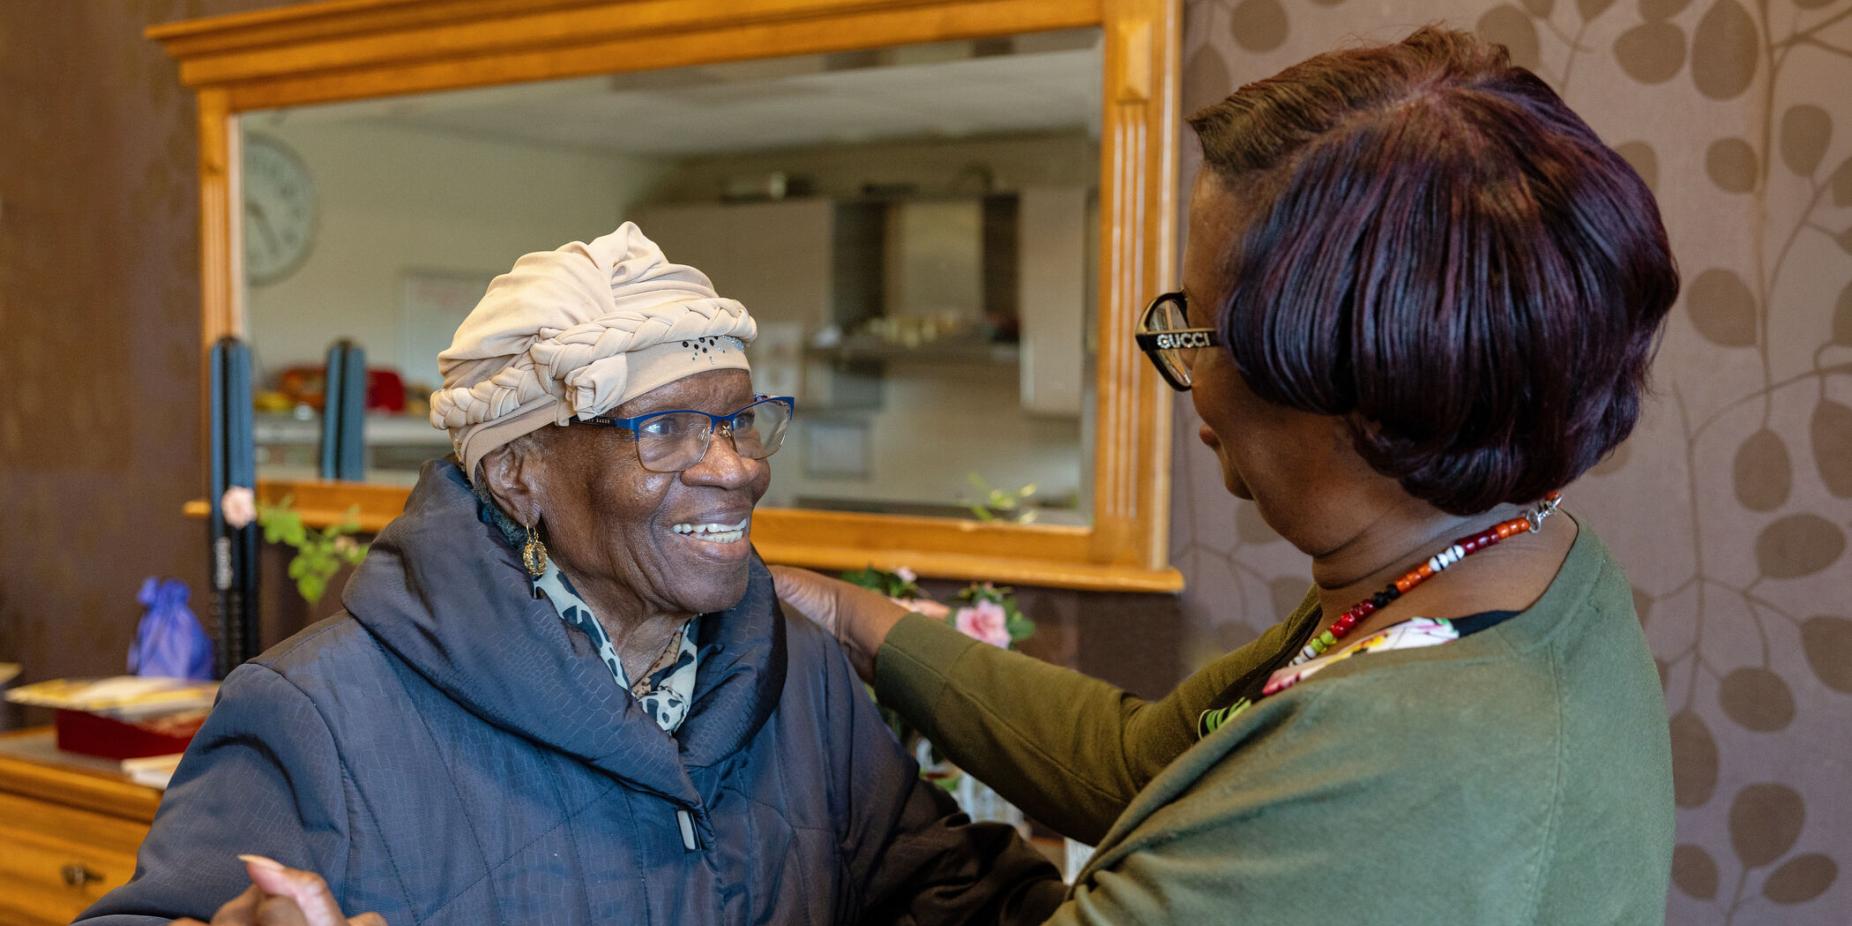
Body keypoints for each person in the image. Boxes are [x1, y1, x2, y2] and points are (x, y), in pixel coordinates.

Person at [773, 27, 1678, 924]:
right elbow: (1145, 764)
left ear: (1358, 385)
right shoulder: (1492, 568)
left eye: (1198, 334)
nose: (1189, 381)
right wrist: (849, 617)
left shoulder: (1393, 759)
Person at [79, 224, 1062, 925]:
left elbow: (938, 889)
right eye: (665, 427)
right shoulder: (316, 715)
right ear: (519, 472)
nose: (736, 466)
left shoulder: (800, 676)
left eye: (734, 418)